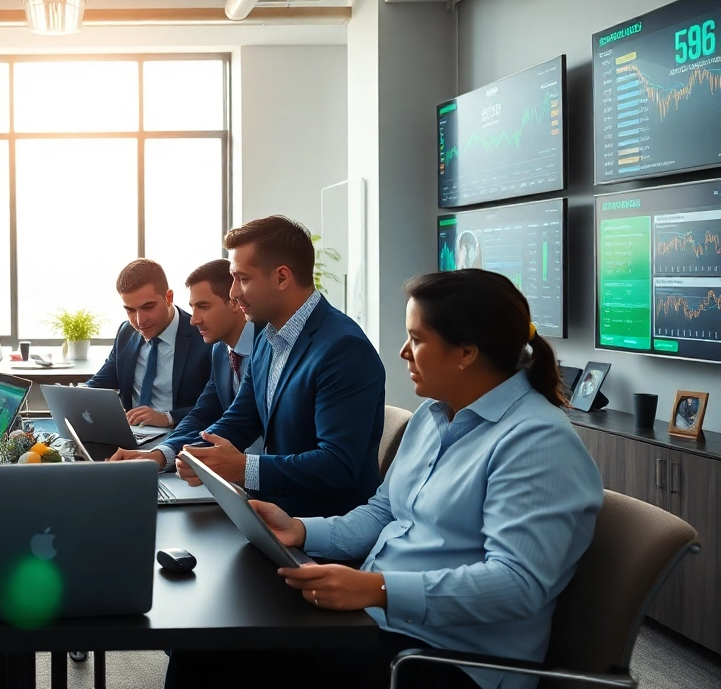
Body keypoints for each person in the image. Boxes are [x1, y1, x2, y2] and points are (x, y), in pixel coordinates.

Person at [169, 269, 604, 689]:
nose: (403, 352)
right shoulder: (433, 417)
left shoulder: (536, 442)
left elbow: (516, 585)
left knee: (221, 657)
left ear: (466, 352)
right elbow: (385, 512)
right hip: (383, 622)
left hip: (446, 659)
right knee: (207, 646)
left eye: (417, 339)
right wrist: (302, 530)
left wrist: (378, 589)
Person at [170, 216, 385, 518]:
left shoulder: (343, 348)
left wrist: (246, 469)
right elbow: (241, 418)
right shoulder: (267, 336)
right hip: (270, 515)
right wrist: (197, 453)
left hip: (321, 531)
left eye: (242, 279)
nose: (233, 293)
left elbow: (337, 465)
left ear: (282, 277)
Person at [111, 259, 258, 467]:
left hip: (268, 475)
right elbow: (204, 414)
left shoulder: (266, 348)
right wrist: (162, 454)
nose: (194, 319)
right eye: (193, 307)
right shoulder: (221, 351)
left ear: (235, 301)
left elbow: (236, 421)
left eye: (203, 307)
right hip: (227, 465)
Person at [86, 259, 210, 428]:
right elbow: (100, 384)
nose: (139, 320)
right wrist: (76, 397)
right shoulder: (126, 332)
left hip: (180, 435)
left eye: (148, 307)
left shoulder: (204, 336)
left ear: (169, 297)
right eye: (130, 310)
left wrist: (168, 417)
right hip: (132, 436)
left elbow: (216, 406)